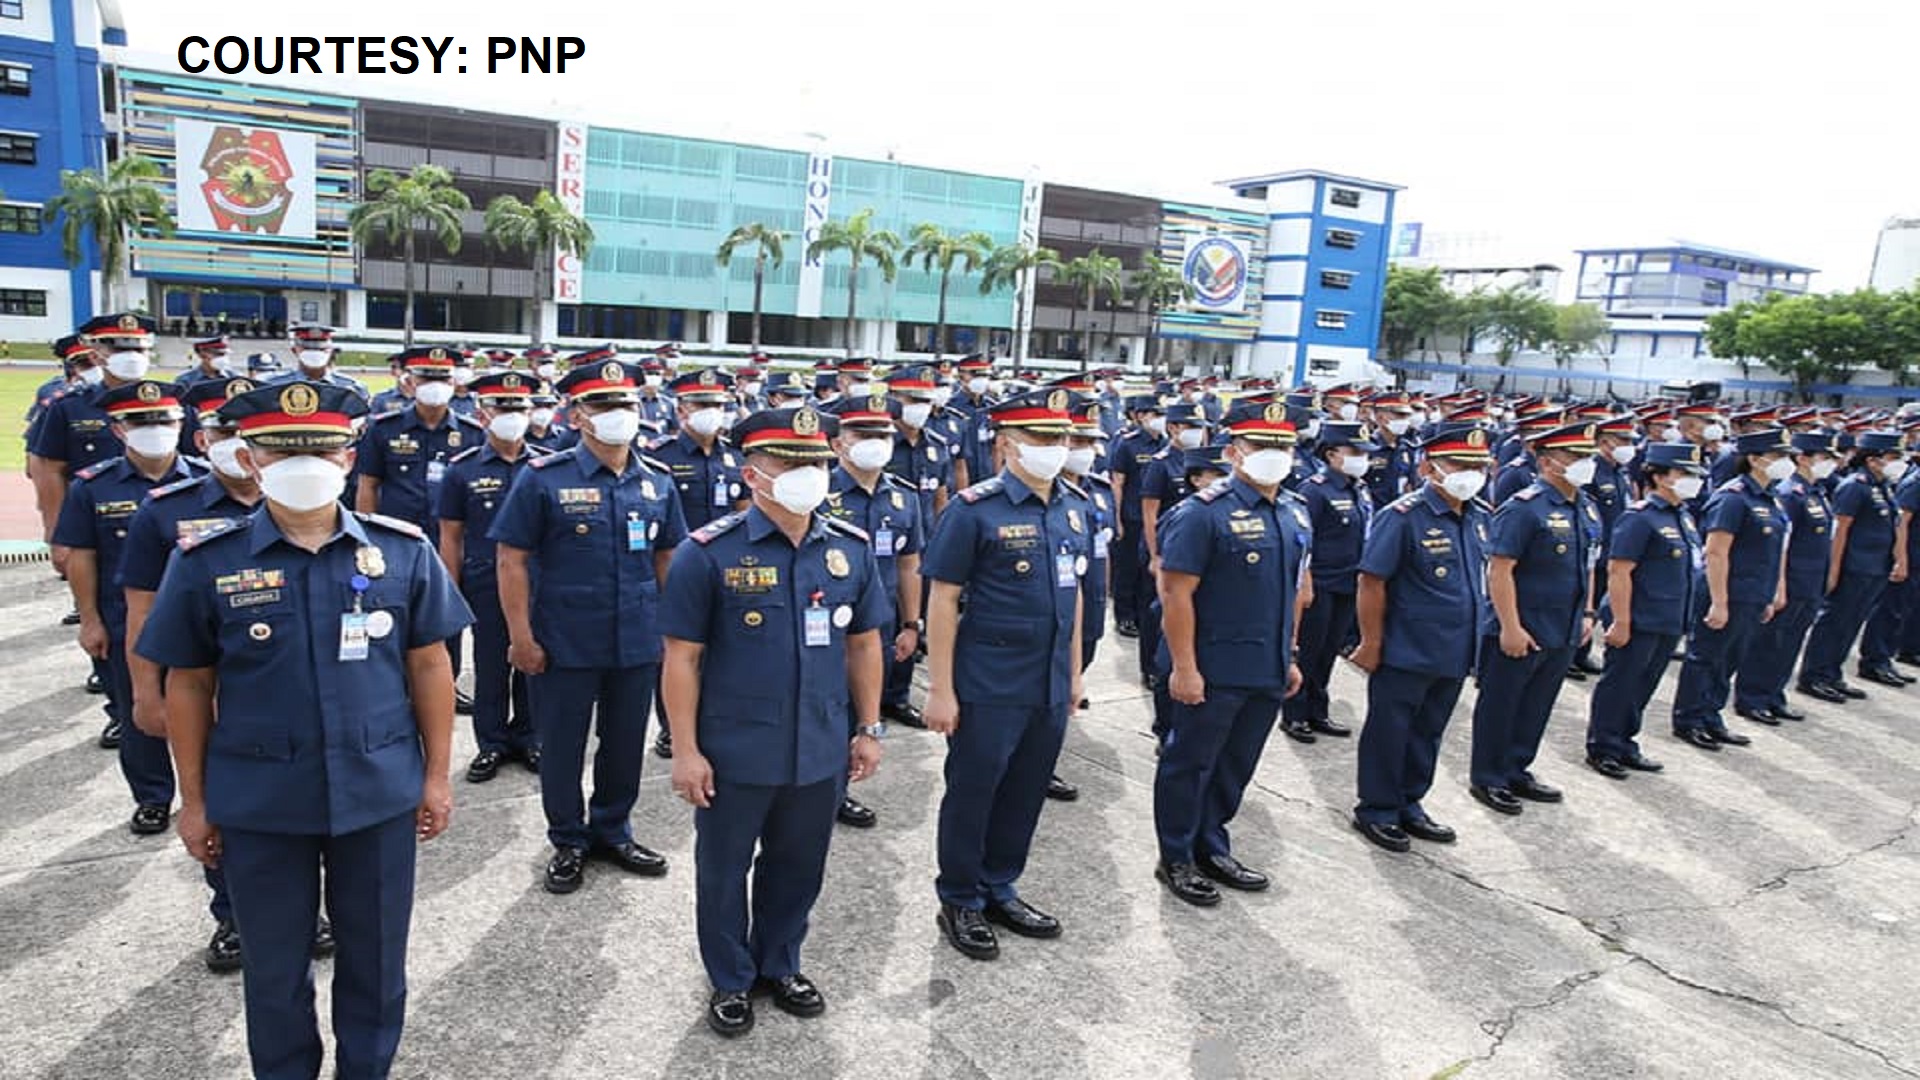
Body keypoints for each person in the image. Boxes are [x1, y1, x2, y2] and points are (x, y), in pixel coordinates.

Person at [135, 379, 471, 1080]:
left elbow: (431, 667)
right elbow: (189, 685)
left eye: (319, 448)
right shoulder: (206, 560)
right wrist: (193, 801)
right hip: (261, 802)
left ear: (349, 457)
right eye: (282, 450)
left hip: (378, 795)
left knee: (377, 965)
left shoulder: (402, 551)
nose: (303, 461)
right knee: (274, 970)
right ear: (251, 459)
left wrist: (437, 776)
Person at [659, 405, 888, 1037]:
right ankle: (731, 977)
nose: (806, 474)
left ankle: (779, 963)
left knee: (799, 865)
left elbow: (864, 644)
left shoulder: (849, 550)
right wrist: (685, 750)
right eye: (789, 462)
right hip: (735, 748)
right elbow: (682, 657)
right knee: (724, 870)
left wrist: (868, 728)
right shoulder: (707, 554)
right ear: (752, 472)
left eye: (814, 461)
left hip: (818, 745)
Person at [490, 360, 687, 894]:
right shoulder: (543, 478)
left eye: (625, 404)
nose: (617, 415)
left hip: (637, 638)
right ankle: (569, 838)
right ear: (577, 415)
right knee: (561, 746)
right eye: (602, 405)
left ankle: (613, 830)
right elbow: (511, 560)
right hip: (563, 642)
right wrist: (520, 637)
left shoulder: (657, 482)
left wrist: (677, 633)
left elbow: (670, 558)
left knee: (624, 743)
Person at [923, 388, 1090, 960]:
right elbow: (942, 600)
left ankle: (1000, 884)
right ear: (1006, 445)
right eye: (1042, 439)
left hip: (1046, 679)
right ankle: (960, 896)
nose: (1054, 449)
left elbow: (1077, 593)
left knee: (1025, 789)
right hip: (990, 678)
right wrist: (940, 688)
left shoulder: (1075, 506)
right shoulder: (974, 509)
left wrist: (1073, 673)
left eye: (1060, 439)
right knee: (975, 787)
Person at [118, 377, 276, 973]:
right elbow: (139, 608)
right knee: (219, 808)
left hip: (275, 691)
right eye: (223, 431)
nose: (236, 445)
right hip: (202, 689)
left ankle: (299, 911)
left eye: (247, 434)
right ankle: (233, 916)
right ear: (201, 436)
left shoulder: (301, 506)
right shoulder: (165, 512)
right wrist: (144, 691)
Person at [1153, 402, 1311, 906]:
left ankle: (1212, 844)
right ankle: (1176, 855)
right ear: (1232, 452)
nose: (1273, 456)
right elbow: (1176, 595)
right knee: (1189, 763)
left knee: (1234, 765)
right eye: (1261, 446)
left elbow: (1289, 594)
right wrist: (1184, 667)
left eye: (1282, 447)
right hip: (1211, 666)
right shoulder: (1202, 512)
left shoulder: (1294, 510)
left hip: (1264, 666)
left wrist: (1288, 654)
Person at [53, 379, 204, 834]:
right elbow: (82, 556)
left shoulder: (204, 483)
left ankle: (208, 793)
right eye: (141, 420)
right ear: (118, 429)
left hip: (199, 627)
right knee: (140, 713)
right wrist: (90, 618)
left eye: (165, 419)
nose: (155, 427)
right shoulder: (92, 487)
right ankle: (154, 796)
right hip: (127, 623)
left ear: (181, 424)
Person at [1349, 423, 1492, 853]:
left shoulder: (1480, 516)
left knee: (1428, 730)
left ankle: (1410, 802)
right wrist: (1371, 642)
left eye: (1479, 465)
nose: (1471, 473)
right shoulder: (1403, 515)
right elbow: (1372, 582)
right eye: (1459, 465)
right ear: (1431, 467)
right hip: (1408, 647)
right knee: (1390, 730)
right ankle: (1377, 808)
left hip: (1455, 648)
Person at [1469, 422, 1602, 815]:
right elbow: (1500, 569)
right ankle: (1489, 776)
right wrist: (1510, 626)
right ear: (1546, 462)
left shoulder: (1586, 506)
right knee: (1501, 704)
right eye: (1574, 457)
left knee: (1537, 705)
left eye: (1587, 457)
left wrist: (1589, 612)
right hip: (1521, 625)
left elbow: (1589, 565)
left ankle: (1517, 767)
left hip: (1562, 625)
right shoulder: (1525, 507)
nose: (1583, 464)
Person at [820, 393, 924, 827]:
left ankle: (836, 792)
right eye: (862, 433)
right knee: (823, 709)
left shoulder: (903, 499)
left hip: (876, 629)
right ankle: (818, 791)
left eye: (882, 433)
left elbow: (909, 564)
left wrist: (910, 623)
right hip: (822, 626)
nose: (875, 441)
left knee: (861, 710)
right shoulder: (818, 492)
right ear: (839, 442)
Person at [438, 372, 546, 782]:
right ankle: (492, 743)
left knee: (533, 658)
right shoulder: (461, 471)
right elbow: (451, 536)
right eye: (503, 407)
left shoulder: (544, 466)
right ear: (483, 415)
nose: (512, 415)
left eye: (519, 407)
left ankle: (530, 736)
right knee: (490, 663)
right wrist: (450, 587)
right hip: (484, 580)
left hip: (537, 580)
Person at [1668, 428, 1796, 748]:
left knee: (1729, 659)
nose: (1784, 462)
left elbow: (1775, 550)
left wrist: (1770, 593)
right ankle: (1690, 718)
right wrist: (1719, 601)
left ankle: (1711, 714)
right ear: (1754, 459)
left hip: (1753, 593)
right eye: (1777, 456)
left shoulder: (1769, 497)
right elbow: (1716, 551)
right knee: (1706, 656)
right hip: (1727, 591)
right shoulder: (1733, 497)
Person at [1583, 443, 1705, 776]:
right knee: (1620, 682)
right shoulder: (1640, 518)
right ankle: (1603, 746)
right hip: (1638, 616)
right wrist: (1620, 621)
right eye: (1683, 473)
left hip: (1668, 617)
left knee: (1644, 684)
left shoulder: (1683, 516)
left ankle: (1625, 742)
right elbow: (1619, 571)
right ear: (1659, 476)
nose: (1692, 480)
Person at [1734, 431, 1838, 722]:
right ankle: (1752, 696)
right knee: (1770, 640)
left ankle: (1773, 694)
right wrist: (1778, 585)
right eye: (1824, 457)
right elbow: (1781, 544)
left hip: (1810, 581)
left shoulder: (1816, 492)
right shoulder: (1790, 494)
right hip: (1790, 579)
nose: (1829, 463)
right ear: (1803, 458)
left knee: (1791, 641)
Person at [1283, 420, 1376, 743]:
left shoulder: (1359, 488)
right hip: (1320, 583)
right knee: (1309, 650)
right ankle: (1294, 713)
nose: (1362, 457)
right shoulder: (1316, 489)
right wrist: (1305, 582)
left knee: (1328, 651)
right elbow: (1304, 541)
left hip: (1349, 583)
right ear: (1332, 453)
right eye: (1355, 451)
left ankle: (1317, 709)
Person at [1798, 431, 1906, 704]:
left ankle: (1832, 673)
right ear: (1872, 460)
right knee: (1835, 622)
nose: (1898, 463)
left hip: (1874, 568)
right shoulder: (1854, 486)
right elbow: (1840, 531)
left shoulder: (1881, 486)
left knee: (1851, 624)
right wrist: (1833, 571)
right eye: (1893, 457)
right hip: (1853, 567)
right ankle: (1815, 675)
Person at [1107, 394, 1167, 639]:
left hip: (1157, 519)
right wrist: (1117, 518)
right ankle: (1125, 616)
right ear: (1141, 416)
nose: (1159, 420)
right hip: (1132, 516)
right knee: (1127, 569)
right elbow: (1117, 482)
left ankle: (1144, 617)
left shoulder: (1165, 443)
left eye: (1161, 415)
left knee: (1148, 571)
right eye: (1154, 414)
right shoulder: (1127, 443)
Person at [271, 324, 371, 402]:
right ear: (294, 350)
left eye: (321, 349)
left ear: (330, 350)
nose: (315, 353)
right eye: (307, 348)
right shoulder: (273, 386)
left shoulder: (353, 388)